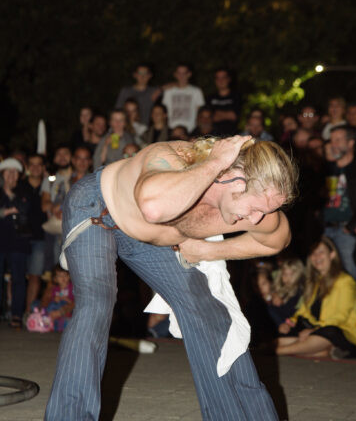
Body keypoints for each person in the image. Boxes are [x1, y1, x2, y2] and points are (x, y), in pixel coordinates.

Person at [45, 136, 297, 420]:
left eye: (266, 211)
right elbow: (153, 207)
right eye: (254, 209)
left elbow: (277, 239)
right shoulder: (173, 158)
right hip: (98, 208)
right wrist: (215, 163)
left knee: (207, 310)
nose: (255, 220)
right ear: (233, 179)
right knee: (96, 304)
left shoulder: (250, 206)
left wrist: (208, 250)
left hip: (152, 237)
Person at [276, 237, 356, 357]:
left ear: (332, 255)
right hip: (318, 332)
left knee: (329, 331)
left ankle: (278, 352)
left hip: (344, 333)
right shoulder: (314, 282)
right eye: (313, 253)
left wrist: (314, 330)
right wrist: (290, 323)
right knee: (282, 336)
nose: (317, 257)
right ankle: (321, 352)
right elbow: (303, 311)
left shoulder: (345, 281)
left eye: (321, 252)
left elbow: (340, 316)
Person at [323, 125, 356, 310]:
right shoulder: (325, 167)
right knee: (326, 279)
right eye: (331, 140)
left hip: (346, 230)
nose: (332, 144)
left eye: (337, 140)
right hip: (324, 229)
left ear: (351, 143)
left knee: (353, 277)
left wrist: (353, 224)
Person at [0, 158, 31, 328]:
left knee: (19, 278)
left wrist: (13, 203)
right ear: (3, 174)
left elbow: (27, 211)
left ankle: (17, 315)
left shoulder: (24, 192)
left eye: (15, 172)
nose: (12, 175)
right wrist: (5, 211)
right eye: (8, 172)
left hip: (19, 242)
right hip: (1, 240)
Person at [21, 154, 47, 315]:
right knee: (16, 275)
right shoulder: (20, 186)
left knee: (35, 275)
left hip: (40, 237)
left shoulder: (48, 187)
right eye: (32, 164)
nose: (35, 167)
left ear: (43, 167)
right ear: (28, 167)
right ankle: (14, 309)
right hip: (19, 238)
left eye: (39, 164)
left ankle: (28, 312)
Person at [162, 63, 205, 132]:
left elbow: (199, 112)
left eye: (184, 73)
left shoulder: (196, 91)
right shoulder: (168, 92)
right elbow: (165, 111)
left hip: (190, 129)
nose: (181, 76)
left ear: (189, 74)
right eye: (179, 73)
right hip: (172, 129)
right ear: (175, 74)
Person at [39, 264, 74, 332]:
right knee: (51, 304)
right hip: (56, 308)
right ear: (55, 279)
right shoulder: (55, 289)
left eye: (65, 275)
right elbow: (51, 300)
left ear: (69, 276)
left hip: (67, 308)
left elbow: (74, 303)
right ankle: (46, 318)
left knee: (62, 304)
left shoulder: (71, 287)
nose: (63, 278)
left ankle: (53, 322)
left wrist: (66, 299)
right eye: (60, 276)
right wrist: (55, 299)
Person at [207, 67, 241, 136]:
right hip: (213, 135)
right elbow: (209, 118)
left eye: (223, 78)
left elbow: (234, 116)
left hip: (232, 135)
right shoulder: (210, 98)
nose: (221, 81)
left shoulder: (236, 96)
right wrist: (226, 114)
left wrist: (218, 113)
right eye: (218, 78)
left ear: (229, 79)